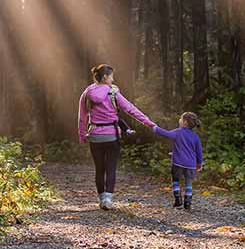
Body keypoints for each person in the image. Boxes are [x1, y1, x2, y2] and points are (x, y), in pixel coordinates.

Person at [78, 64, 156, 210]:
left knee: (99, 169)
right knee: (111, 168)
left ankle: (101, 199)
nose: (113, 79)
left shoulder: (87, 93)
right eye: (112, 76)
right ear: (106, 77)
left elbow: (82, 118)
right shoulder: (113, 93)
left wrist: (82, 135)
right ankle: (108, 199)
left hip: (95, 136)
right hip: (112, 136)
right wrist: (149, 123)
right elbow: (131, 109)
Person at [152, 112, 203, 210]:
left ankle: (178, 200)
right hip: (191, 165)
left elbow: (165, 133)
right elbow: (199, 152)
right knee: (189, 183)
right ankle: (187, 203)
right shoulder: (195, 136)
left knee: (175, 180)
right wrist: (199, 163)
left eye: (180, 118)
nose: (179, 120)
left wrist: (155, 128)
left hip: (178, 163)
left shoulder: (178, 132)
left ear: (184, 122)